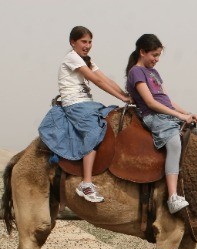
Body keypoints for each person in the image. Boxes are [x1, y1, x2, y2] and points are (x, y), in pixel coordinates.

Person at [39, 26, 131, 203]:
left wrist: (126, 96)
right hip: (75, 104)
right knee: (94, 130)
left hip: (87, 104)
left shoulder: (86, 60)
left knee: (113, 116)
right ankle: (86, 183)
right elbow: (96, 81)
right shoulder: (72, 58)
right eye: (83, 41)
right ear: (73, 42)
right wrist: (121, 97)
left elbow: (105, 79)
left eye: (90, 42)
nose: (87, 45)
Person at [125, 34, 197, 214]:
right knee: (174, 144)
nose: (157, 60)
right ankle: (172, 197)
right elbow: (150, 103)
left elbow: (167, 100)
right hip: (153, 115)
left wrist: (185, 113)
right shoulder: (136, 72)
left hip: (166, 113)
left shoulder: (154, 73)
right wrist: (179, 116)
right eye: (154, 55)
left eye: (159, 56)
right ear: (142, 52)